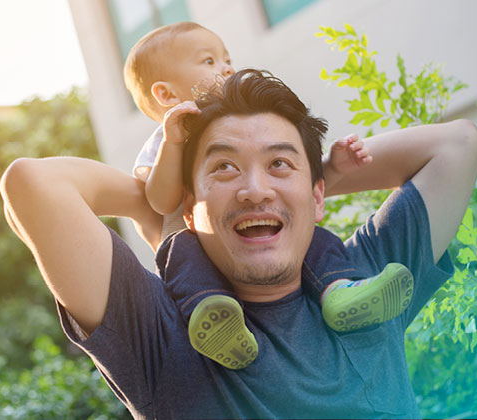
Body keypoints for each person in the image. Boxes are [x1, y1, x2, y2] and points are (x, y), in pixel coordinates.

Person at [0, 69, 477, 418]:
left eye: (279, 163)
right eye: (225, 167)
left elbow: (458, 144)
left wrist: (307, 187)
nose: (255, 188)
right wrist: (163, 201)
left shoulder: (364, 284)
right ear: (191, 208)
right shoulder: (156, 331)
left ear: (318, 196)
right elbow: (33, 185)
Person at [119, 21, 413, 368]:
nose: (227, 67)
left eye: (227, 59)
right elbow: (160, 201)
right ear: (167, 95)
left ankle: (339, 292)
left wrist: (332, 168)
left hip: (250, 240)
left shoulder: (245, 128)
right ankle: (215, 320)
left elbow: (295, 191)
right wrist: (172, 142)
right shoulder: (162, 141)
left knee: (313, 239)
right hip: (196, 245)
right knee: (183, 255)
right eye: (209, 61)